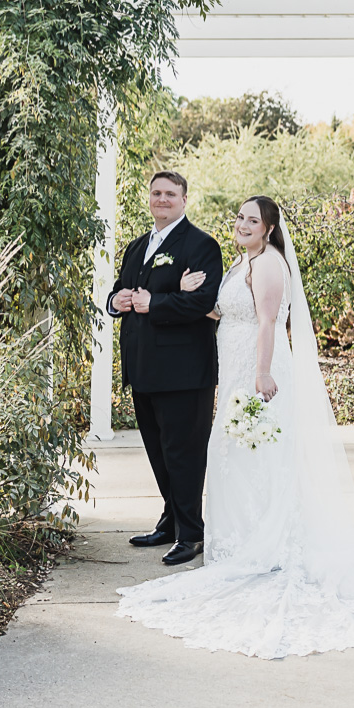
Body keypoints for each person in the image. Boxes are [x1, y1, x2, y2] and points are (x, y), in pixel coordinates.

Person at [117, 196, 354, 658]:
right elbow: (226, 311)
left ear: (270, 228)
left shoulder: (269, 264)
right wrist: (185, 286)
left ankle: (271, 542)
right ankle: (247, 537)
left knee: (258, 454)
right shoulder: (243, 263)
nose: (242, 225)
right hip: (235, 365)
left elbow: (269, 321)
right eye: (239, 218)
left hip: (257, 371)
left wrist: (262, 373)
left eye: (252, 221)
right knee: (236, 457)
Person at [107, 170, 223, 567]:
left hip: (185, 371)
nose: (161, 199)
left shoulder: (202, 245)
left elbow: (203, 303)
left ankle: (191, 534)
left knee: (184, 453)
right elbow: (122, 289)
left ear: (184, 200)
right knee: (158, 452)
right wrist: (116, 300)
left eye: (170, 194)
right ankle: (171, 521)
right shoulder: (136, 246)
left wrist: (155, 302)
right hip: (142, 367)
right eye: (156, 193)